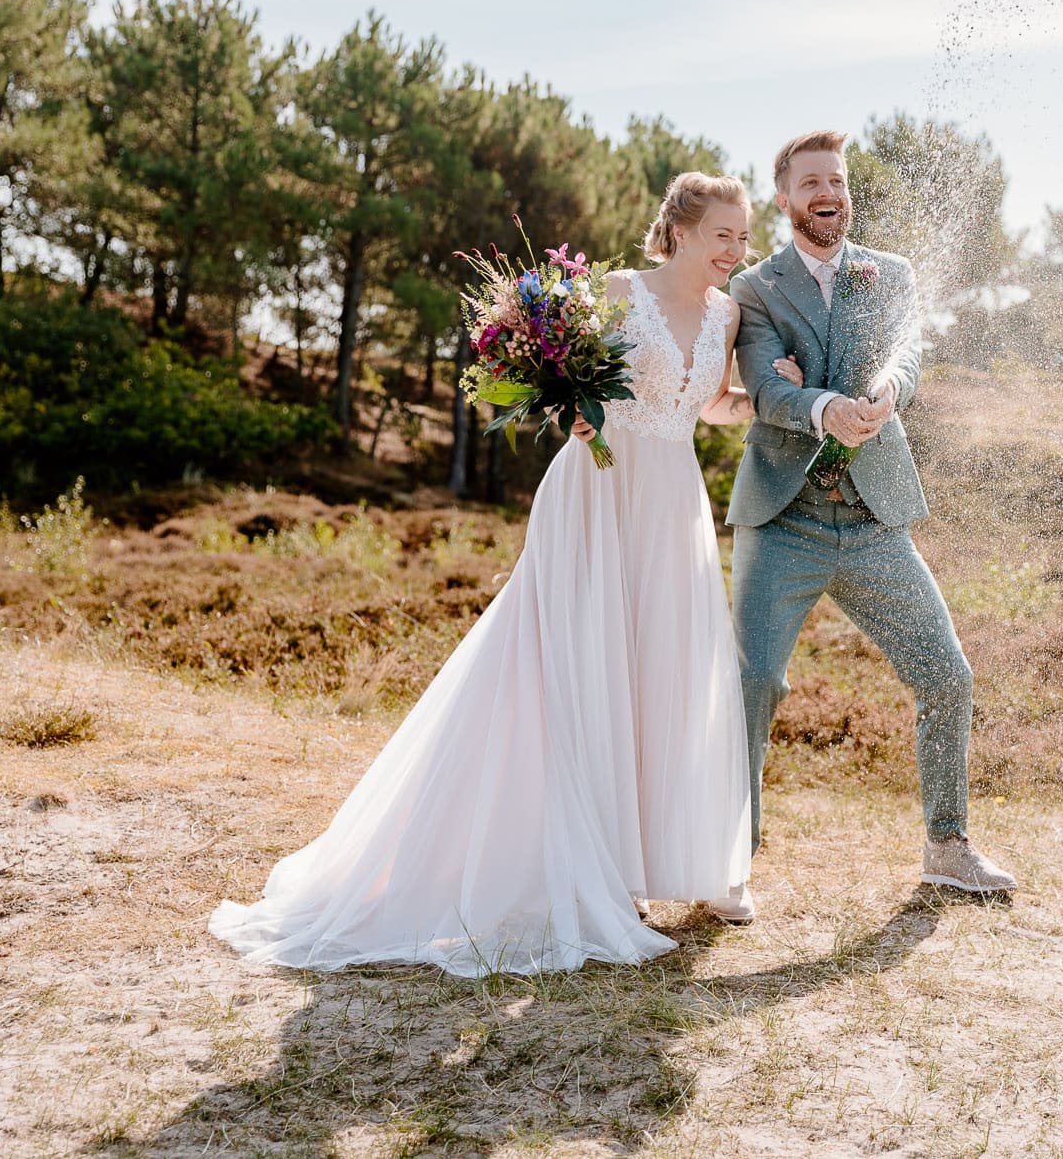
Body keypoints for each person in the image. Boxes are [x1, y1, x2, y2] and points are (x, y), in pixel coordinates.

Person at [209, 172, 784, 974]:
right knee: (574, 669)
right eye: (724, 233)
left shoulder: (726, 315)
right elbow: (570, 384)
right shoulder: (618, 292)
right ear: (681, 230)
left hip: (672, 505)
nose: (737, 249)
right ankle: (594, 866)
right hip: (598, 493)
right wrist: (572, 406)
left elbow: (708, 403)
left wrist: (763, 398)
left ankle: (680, 859)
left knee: (670, 670)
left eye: (743, 236)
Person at [727, 129, 1017, 899]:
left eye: (840, 180)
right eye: (813, 181)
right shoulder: (755, 287)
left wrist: (889, 389)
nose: (830, 192)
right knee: (752, 682)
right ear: (784, 198)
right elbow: (763, 388)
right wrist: (823, 408)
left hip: (873, 519)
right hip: (783, 518)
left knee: (946, 674)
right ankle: (730, 856)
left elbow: (907, 354)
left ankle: (948, 846)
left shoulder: (890, 272)